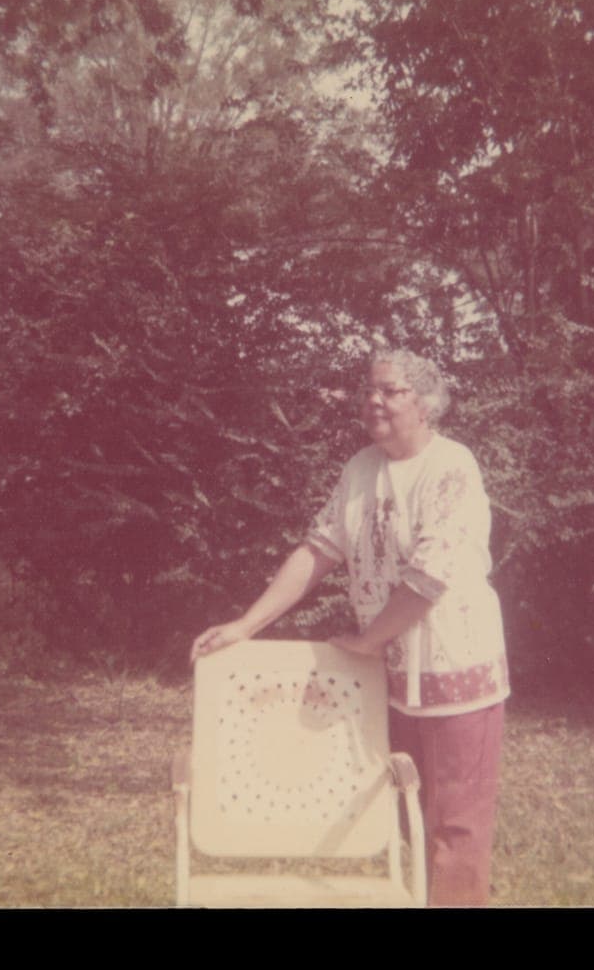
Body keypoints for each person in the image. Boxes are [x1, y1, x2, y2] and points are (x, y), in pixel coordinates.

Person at [191, 349, 510, 906]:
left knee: (455, 830)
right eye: (369, 389)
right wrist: (246, 624)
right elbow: (319, 550)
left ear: (426, 403)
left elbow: (429, 578)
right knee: (407, 814)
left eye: (390, 390)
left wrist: (368, 640)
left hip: (456, 675)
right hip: (388, 678)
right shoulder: (361, 468)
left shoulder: (453, 467)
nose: (374, 400)